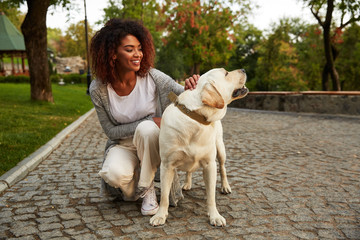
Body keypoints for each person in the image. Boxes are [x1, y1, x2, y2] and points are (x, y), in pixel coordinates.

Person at [89, 18, 199, 216]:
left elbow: (182, 95)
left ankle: (148, 189)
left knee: (147, 129)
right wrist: (149, 120)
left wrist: (192, 85)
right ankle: (138, 182)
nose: (137, 54)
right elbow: (110, 131)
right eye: (129, 49)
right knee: (113, 176)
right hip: (124, 144)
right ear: (113, 54)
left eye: (139, 48)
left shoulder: (153, 77)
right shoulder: (99, 89)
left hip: (152, 142)